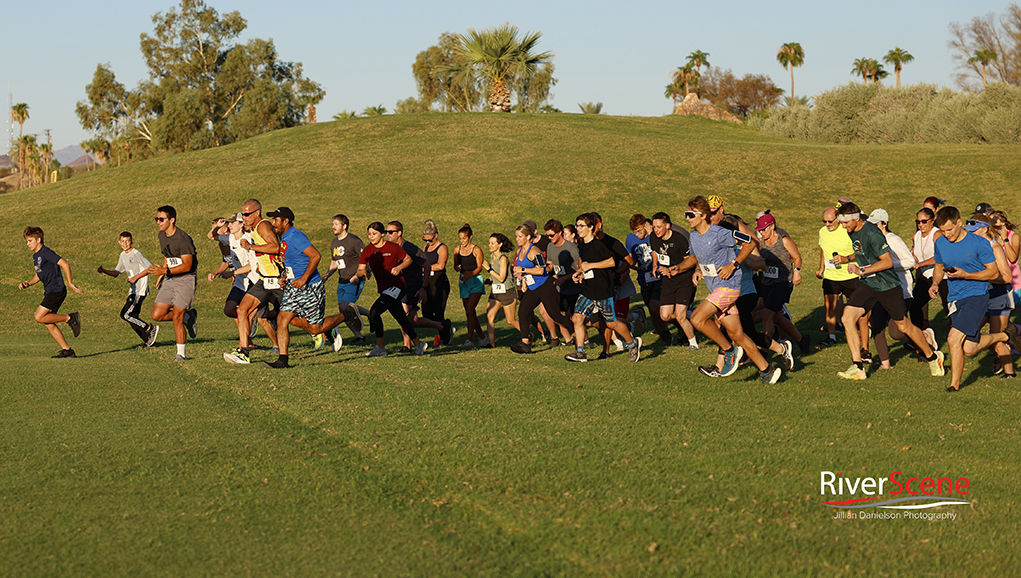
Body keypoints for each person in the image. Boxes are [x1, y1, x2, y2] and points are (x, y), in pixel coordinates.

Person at [832, 202, 943, 380]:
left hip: (887, 285)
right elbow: (862, 251)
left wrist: (861, 270)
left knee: (903, 326)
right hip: (869, 284)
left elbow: (887, 262)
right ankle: (858, 367)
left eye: (845, 223)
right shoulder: (852, 231)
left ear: (856, 219)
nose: (843, 227)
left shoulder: (873, 233)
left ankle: (932, 356)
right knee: (847, 317)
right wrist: (847, 258)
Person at [685, 197, 781, 383]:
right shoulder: (695, 236)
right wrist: (679, 268)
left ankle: (729, 351)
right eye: (686, 214)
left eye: (690, 215)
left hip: (730, 289)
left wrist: (734, 264)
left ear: (703, 216)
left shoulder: (721, 232)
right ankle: (767, 370)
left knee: (697, 318)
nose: (687, 218)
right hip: (718, 289)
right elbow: (696, 258)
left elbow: (751, 243)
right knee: (738, 334)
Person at [931, 206, 1021, 392]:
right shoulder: (941, 243)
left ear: (958, 222)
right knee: (969, 348)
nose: (946, 234)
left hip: (976, 295)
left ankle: (954, 385)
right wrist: (935, 283)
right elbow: (939, 266)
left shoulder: (980, 243)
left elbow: (994, 272)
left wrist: (966, 274)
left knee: (953, 338)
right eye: (943, 230)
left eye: (950, 229)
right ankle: (1007, 335)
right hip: (954, 297)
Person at [262, 208, 352, 368]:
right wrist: (285, 277)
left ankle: (347, 315)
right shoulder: (283, 237)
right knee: (282, 319)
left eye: (276, 219)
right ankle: (283, 361)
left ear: (286, 221)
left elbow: (316, 256)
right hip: (293, 286)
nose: (273, 223)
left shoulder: (296, 236)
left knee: (315, 329)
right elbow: (293, 262)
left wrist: (303, 279)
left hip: (310, 287)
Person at [564, 213, 642, 362]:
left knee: (611, 322)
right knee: (577, 318)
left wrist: (590, 266)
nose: (578, 229)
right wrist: (579, 272)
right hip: (587, 290)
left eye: (581, 226)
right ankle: (580, 352)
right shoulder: (583, 245)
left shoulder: (599, 245)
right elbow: (585, 264)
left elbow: (611, 262)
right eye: (577, 225)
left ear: (591, 227)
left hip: (603, 291)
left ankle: (632, 344)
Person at [865, 209, 932, 370]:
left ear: (885, 223)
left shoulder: (893, 240)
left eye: (876, 224)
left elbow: (909, 261)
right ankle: (885, 364)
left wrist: (885, 266)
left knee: (896, 333)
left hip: (901, 290)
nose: (872, 228)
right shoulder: (873, 241)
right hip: (880, 288)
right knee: (877, 325)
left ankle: (924, 336)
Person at [358, 221, 429, 357]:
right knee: (401, 318)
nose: (371, 237)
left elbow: (408, 259)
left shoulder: (392, 247)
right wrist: (364, 272)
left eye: (374, 234)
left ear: (382, 234)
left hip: (398, 286)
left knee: (374, 312)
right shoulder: (368, 250)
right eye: (369, 234)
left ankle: (380, 347)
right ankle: (419, 344)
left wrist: (399, 267)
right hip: (384, 288)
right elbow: (359, 270)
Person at [228, 199, 284, 364]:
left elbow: (275, 248)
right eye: (243, 214)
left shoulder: (263, 226)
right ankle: (243, 351)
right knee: (242, 310)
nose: (243, 217)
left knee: (294, 318)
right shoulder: (253, 229)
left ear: (257, 213)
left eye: (247, 214)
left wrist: (251, 248)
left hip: (276, 280)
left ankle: (321, 329)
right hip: (263, 280)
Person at [19, 226, 83, 358]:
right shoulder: (36, 256)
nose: (28, 244)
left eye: (30, 240)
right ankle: (67, 351)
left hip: (56, 290)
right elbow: (39, 275)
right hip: (50, 291)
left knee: (38, 317)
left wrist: (70, 283)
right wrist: (28, 283)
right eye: (27, 241)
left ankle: (70, 318)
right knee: (47, 321)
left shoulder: (46, 252)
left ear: (38, 239)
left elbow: (65, 264)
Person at [510, 223, 574, 354]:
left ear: (528, 237)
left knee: (555, 315)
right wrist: (521, 277)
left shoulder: (535, 251)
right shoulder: (519, 251)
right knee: (523, 312)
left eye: (520, 236)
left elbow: (541, 271)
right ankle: (525, 343)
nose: (517, 239)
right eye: (516, 236)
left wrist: (523, 269)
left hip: (545, 287)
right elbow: (524, 271)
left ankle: (579, 333)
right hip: (533, 288)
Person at [387, 221, 452, 349]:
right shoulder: (390, 247)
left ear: (399, 233)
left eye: (390, 232)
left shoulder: (410, 248)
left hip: (413, 286)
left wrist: (423, 287)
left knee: (402, 311)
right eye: (386, 232)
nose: (387, 235)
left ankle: (408, 345)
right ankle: (441, 326)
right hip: (400, 285)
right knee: (413, 321)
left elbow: (426, 266)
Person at [967, 214, 1016, 378]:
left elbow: (1007, 277)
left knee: (996, 338)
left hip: (999, 298)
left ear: (985, 228)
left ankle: (1010, 373)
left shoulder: (994, 248)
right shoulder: (976, 247)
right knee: (968, 334)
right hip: (982, 297)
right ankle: (1010, 340)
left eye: (974, 230)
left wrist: (985, 275)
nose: (971, 233)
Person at [147, 205, 198, 362]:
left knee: (177, 316)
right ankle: (188, 317)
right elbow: (167, 255)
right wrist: (163, 272)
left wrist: (165, 272)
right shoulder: (162, 235)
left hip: (186, 279)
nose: (158, 222)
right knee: (157, 315)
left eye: (161, 219)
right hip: (170, 278)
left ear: (172, 220)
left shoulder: (183, 238)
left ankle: (180, 354)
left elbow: (187, 265)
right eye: (157, 219)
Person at [755, 213, 809, 353]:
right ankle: (801, 339)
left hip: (782, 283)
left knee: (767, 313)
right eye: (760, 230)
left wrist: (797, 271)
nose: (761, 232)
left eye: (764, 229)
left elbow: (797, 257)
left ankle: (765, 349)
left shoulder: (784, 241)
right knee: (777, 317)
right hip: (766, 283)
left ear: (772, 226)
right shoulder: (761, 244)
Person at [98, 231, 158, 347]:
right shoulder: (122, 255)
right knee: (132, 317)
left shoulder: (136, 253)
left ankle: (150, 328)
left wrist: (136, 277)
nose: (125, 243)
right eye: (123, 241)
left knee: (126, 315)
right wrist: (104, 270)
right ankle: (148, 340)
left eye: (128, 241)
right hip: (133, 290)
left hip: (140, 290)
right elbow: (116, 273)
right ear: (119, 242)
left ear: (132, 241)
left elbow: (150, 268)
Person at [815, 207, 865, 348]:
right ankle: (832, 337)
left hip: (850, 275)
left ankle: (863, 332)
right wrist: (821, 268)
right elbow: (824, 250)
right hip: (831, 276)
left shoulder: (847, 231)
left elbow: (860, 251)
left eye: (830, 221)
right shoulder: (822, 232)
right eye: (824, 221)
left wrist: (846, 259)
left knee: (856, 306)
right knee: (829, 306)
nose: (827, 224)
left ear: (837, 219)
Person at [650, 212, 698, 349]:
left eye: (659, 227)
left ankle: (693, 343)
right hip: (668, 281)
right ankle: (691, 318)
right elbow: (655, 250)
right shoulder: (654, 237)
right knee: (664, 316)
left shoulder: (680, 239)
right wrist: (655, 265)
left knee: (679, 316)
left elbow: (691, 260)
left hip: (684, 281)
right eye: (654, 227)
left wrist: (674, 269)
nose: (656, 230)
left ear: (668, 226)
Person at [323, 213, 367, 343]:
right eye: (333, 224)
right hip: (341, 281)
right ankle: (360, 335)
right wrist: (327, 274)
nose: (333, 227)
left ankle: (366, 320)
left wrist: (357, 275)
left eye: (336, 224)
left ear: (344, 226)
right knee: (343, 309)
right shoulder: (334, 242)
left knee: (345, 308)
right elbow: (334, 262)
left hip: (354, 280)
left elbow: (365, 259)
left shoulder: (354, 241)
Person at [625, 214, 669, 343]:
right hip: (644, 278)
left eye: (639, 231)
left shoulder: (655, 235)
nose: (637, 234)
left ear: (646, 225)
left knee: (656, 306)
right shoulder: (631, 239)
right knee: (651, 308)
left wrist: (652, 235)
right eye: (635, 232)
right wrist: (632, 265)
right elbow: (631, 257)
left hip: (660, 276)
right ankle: (663, 335)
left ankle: (666, 332)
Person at [908, 207, 946, 330]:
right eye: (918, 222)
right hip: (927, 275)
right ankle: (919, 334)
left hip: (943, 274)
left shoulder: (937, 234)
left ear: (932, 220)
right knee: (914, 305)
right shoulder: (917, 236)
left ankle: (956, 331)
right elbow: (914, 254)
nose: (921, 224)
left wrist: (920, 264)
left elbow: (941, 257)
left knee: (949, 306)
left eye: (924, 221)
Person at [482, 233, 520, 346]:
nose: (490, 245)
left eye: (493, 243)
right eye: (489, 243)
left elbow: (502, 278)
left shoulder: (503, 258)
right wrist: (489, 279)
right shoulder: (492, 257)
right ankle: (492, 343)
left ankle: (527, 335)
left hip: (507, 292)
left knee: (510, 320)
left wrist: (489, 269)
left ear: (500, 245)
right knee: (489, 316)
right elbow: (496, 276)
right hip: (496, 292)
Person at [453, 223, 487, 347]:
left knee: (470, 309)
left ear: (470, 237)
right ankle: (482, 337)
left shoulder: (476, 250)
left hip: (475, 281)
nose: (462, 241)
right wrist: (457, 268)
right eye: (460, 238)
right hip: (463, 282)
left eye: (464, 238)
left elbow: (479, 267)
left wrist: (470, 275)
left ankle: (470, 339)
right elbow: (456, 266)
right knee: (469, 313)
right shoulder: (457, 249)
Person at [545, 219, 582, 321]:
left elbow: (580, 269)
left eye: (552, 235)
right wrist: (544, 268)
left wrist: (565, 278)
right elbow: (551, 265)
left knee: (578, 319)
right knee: (561, 316)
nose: (549, 238)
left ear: (560, 232)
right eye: (548, 235)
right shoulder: (550, 246)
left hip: (575, 288)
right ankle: (573, 336)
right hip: (560, 289)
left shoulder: (571, 248)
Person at [421, 220, 451, 333]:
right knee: (426, 313)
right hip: (428, 283)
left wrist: (426, 268)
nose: (428, 242)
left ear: (436, 235)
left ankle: (444, 335)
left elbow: (441, 265)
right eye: (426, 240)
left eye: (430, 239)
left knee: (439, 312)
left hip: (439, 283)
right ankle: (444, 326)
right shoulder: (426, 247)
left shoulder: (442, 247)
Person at [989, 210, 1021, 305]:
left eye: (994, 220)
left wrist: (1005, 239)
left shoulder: (1014, 236)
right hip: (998, 281)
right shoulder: (993, 237)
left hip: (1014, 283)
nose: (991, 223)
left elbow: (1012, 258)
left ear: (1002, 222)